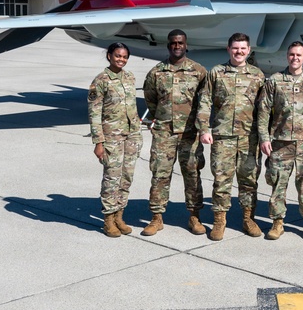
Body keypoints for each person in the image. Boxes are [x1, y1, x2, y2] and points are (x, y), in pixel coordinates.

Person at [258, 41, 303, 240]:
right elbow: (263, 111)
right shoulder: (275, 80)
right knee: (278, 184)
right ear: (287, 57)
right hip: (280, 143)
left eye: (299, 55)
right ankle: (277, 222)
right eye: (291, 54)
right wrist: (264, 138)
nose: (295, 58)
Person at [196, 33, 266, 241]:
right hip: (223, 136)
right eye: (235, 48)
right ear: (228, 49)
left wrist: (264, 137)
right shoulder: (216, 73)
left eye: (243, 48)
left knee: (249, 181)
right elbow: (204, 102)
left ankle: (248, 218)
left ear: (249, 50)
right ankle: (219, 221)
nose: (239, 52)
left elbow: (264, 108)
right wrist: (204, 129)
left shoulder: (257, 75)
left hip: (249, 138)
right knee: (221, 180)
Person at [141, 30, 208, 236]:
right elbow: (150, 99)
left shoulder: (198, 71)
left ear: (186, 45)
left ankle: (194, 216)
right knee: (160, 173)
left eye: (180, 43)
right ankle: (156, 217)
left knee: (192, 174)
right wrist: (160, 118)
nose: (176, 46)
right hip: (164, 132)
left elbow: (204, 101)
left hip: (190, 133)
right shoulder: (157, 72)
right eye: (173, 43)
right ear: (168, 45)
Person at [88, 42, 143, 238]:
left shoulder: (129, 77)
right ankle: (108, 219)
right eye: (118, 56)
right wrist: (98, 142)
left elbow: (133, 106)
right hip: (112, 137)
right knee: (111, 178)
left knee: (126, 177)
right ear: (109, 56)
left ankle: (120, 215)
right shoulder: (101, 80)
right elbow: (94, 113)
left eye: (124, 57)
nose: (121, 59)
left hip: (132, 135)